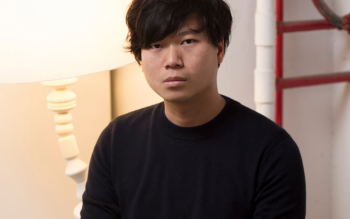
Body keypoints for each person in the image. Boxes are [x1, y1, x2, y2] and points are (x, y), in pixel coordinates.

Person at [81, 0, 306, 218]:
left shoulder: (271, 151)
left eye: (187, 41)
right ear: (140, 54)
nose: (172, 60)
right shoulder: (116, 140)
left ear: (219, 48)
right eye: (156, 45)